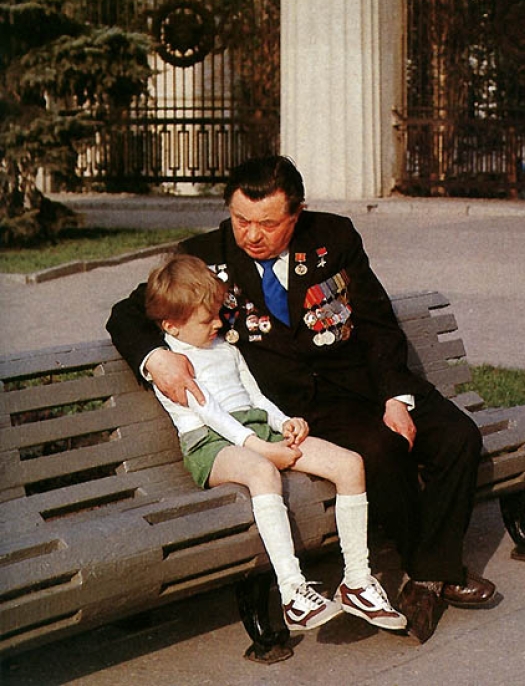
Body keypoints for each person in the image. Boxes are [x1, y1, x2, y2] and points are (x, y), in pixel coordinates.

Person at [107, 154, 495, 644]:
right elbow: (126, 313)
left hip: (366, 380)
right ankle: (434, 572)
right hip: (299, 408)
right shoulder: (206, 255)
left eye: (268, 224)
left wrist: (396, 397)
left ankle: (429, 574)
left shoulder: (334, 237)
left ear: (297, 213)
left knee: (460, 436)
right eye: (241, 219)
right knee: (380, 452)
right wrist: (155, 359)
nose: (251, 235)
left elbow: (376, 320)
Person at [143, 253, 406, 636]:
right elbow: (209, 412)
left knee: (350, 464)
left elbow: (256, 398)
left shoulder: (226, 349)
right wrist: (260, 448)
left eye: (217, 313)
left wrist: (285, 423)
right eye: (207, 319)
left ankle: (357, 581)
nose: (218, 323)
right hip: (211, 444)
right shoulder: (170, 362)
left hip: (254, 432)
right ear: (172, 326)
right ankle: (293, 593)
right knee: (263, 471)